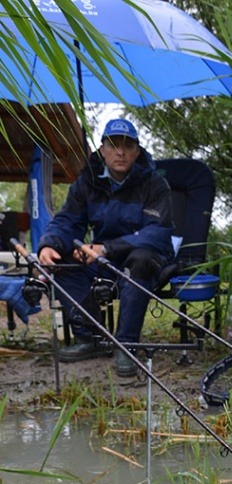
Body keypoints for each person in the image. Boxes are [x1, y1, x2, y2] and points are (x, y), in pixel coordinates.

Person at [38, 118, 174, 377]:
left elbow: (157, 233)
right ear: (102, 149)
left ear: (137, 151)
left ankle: (126, 345)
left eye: (127, 145)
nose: (120, 152)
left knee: (141, 261)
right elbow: (67, 220)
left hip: (143, 257)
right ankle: (90, 337)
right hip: (102, 259)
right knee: (62, 264)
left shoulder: (155, 183)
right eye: (113, 145)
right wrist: (49, 244)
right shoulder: (86, 181)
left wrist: (107, 248)